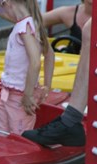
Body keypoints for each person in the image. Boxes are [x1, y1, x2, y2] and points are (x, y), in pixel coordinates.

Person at [22, 18, 90, 146]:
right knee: (91, 29)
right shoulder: (69, 12)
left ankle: (70, 121)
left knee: (92, 29)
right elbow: (39, 17)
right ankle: (70, 120)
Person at [0, 0, 54, 135]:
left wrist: (28, 94)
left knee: (18, 137)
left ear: (7, 2)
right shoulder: (29, 24)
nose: (5, 15)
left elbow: (35, 62)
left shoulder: (25, 27)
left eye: (3, 7)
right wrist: (47, 85)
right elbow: (50, 55)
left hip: (19, 96)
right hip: (8, 93)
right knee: (2, 134)